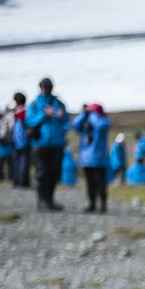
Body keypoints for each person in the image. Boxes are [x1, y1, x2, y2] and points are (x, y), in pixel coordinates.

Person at [23, 78, 69, 210]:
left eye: (47, 86)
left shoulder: (59, 103)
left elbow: (66, 121)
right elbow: (30, 121)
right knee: (42, 173)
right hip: (40, 144)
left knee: (54, 173)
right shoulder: (34, 104)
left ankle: (50, 200)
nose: (45, 89)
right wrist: (44, 114)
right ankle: (42, 201)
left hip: (57, 144)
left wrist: (61, 117)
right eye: (43, 86)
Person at [71, 103, 111, 212]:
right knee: (90, 183)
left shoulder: (103, 122)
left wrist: (92, 115)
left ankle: (103, 205)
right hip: (86, 159)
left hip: (99, 158)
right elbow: (74, 124)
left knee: (100, 183)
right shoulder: (85, 124)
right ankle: (92, 204)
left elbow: (101, 125)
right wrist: (84, 114)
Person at [9, 93, 31, 187]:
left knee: (16, 160)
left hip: (14, 139)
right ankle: (22, 180)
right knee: (24, 160)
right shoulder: (24, 112)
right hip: (24, 139)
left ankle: (15, 179)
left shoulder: (13, 112)